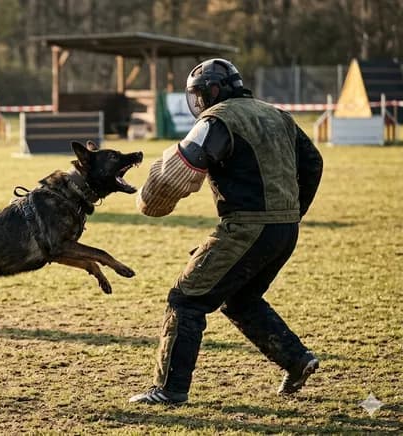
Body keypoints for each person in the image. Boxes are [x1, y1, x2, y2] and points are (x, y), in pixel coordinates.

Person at [129, 58, 324, 405]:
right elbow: (313, 163)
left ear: (213, 91)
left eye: (199, 95)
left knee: (186, 298)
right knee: (240, 299)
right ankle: (296, 360)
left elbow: (180, 169)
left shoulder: (217, 120)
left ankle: (170, 390)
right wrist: (294, 211)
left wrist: (150, 197)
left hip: (245, 228)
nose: (198, 102)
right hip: (284, 230)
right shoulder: (278, 114)